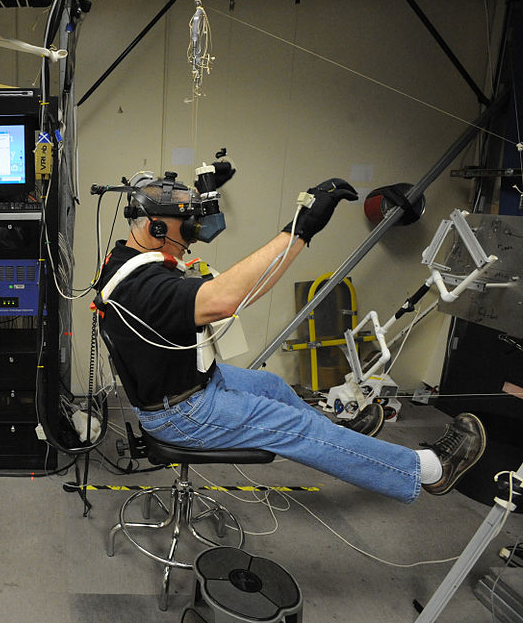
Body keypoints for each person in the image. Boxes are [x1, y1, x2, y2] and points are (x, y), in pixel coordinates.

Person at [93, 172, 485, 504]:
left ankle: (341, 436)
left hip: (189, 382)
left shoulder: (126, 257)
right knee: (299, 430)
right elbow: (227, 299)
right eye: (188, 228)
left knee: (272, 385)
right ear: (154, 226)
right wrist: (300, 230)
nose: (194, 237)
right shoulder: (143, 286)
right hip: (181, 413)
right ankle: (430, 470)